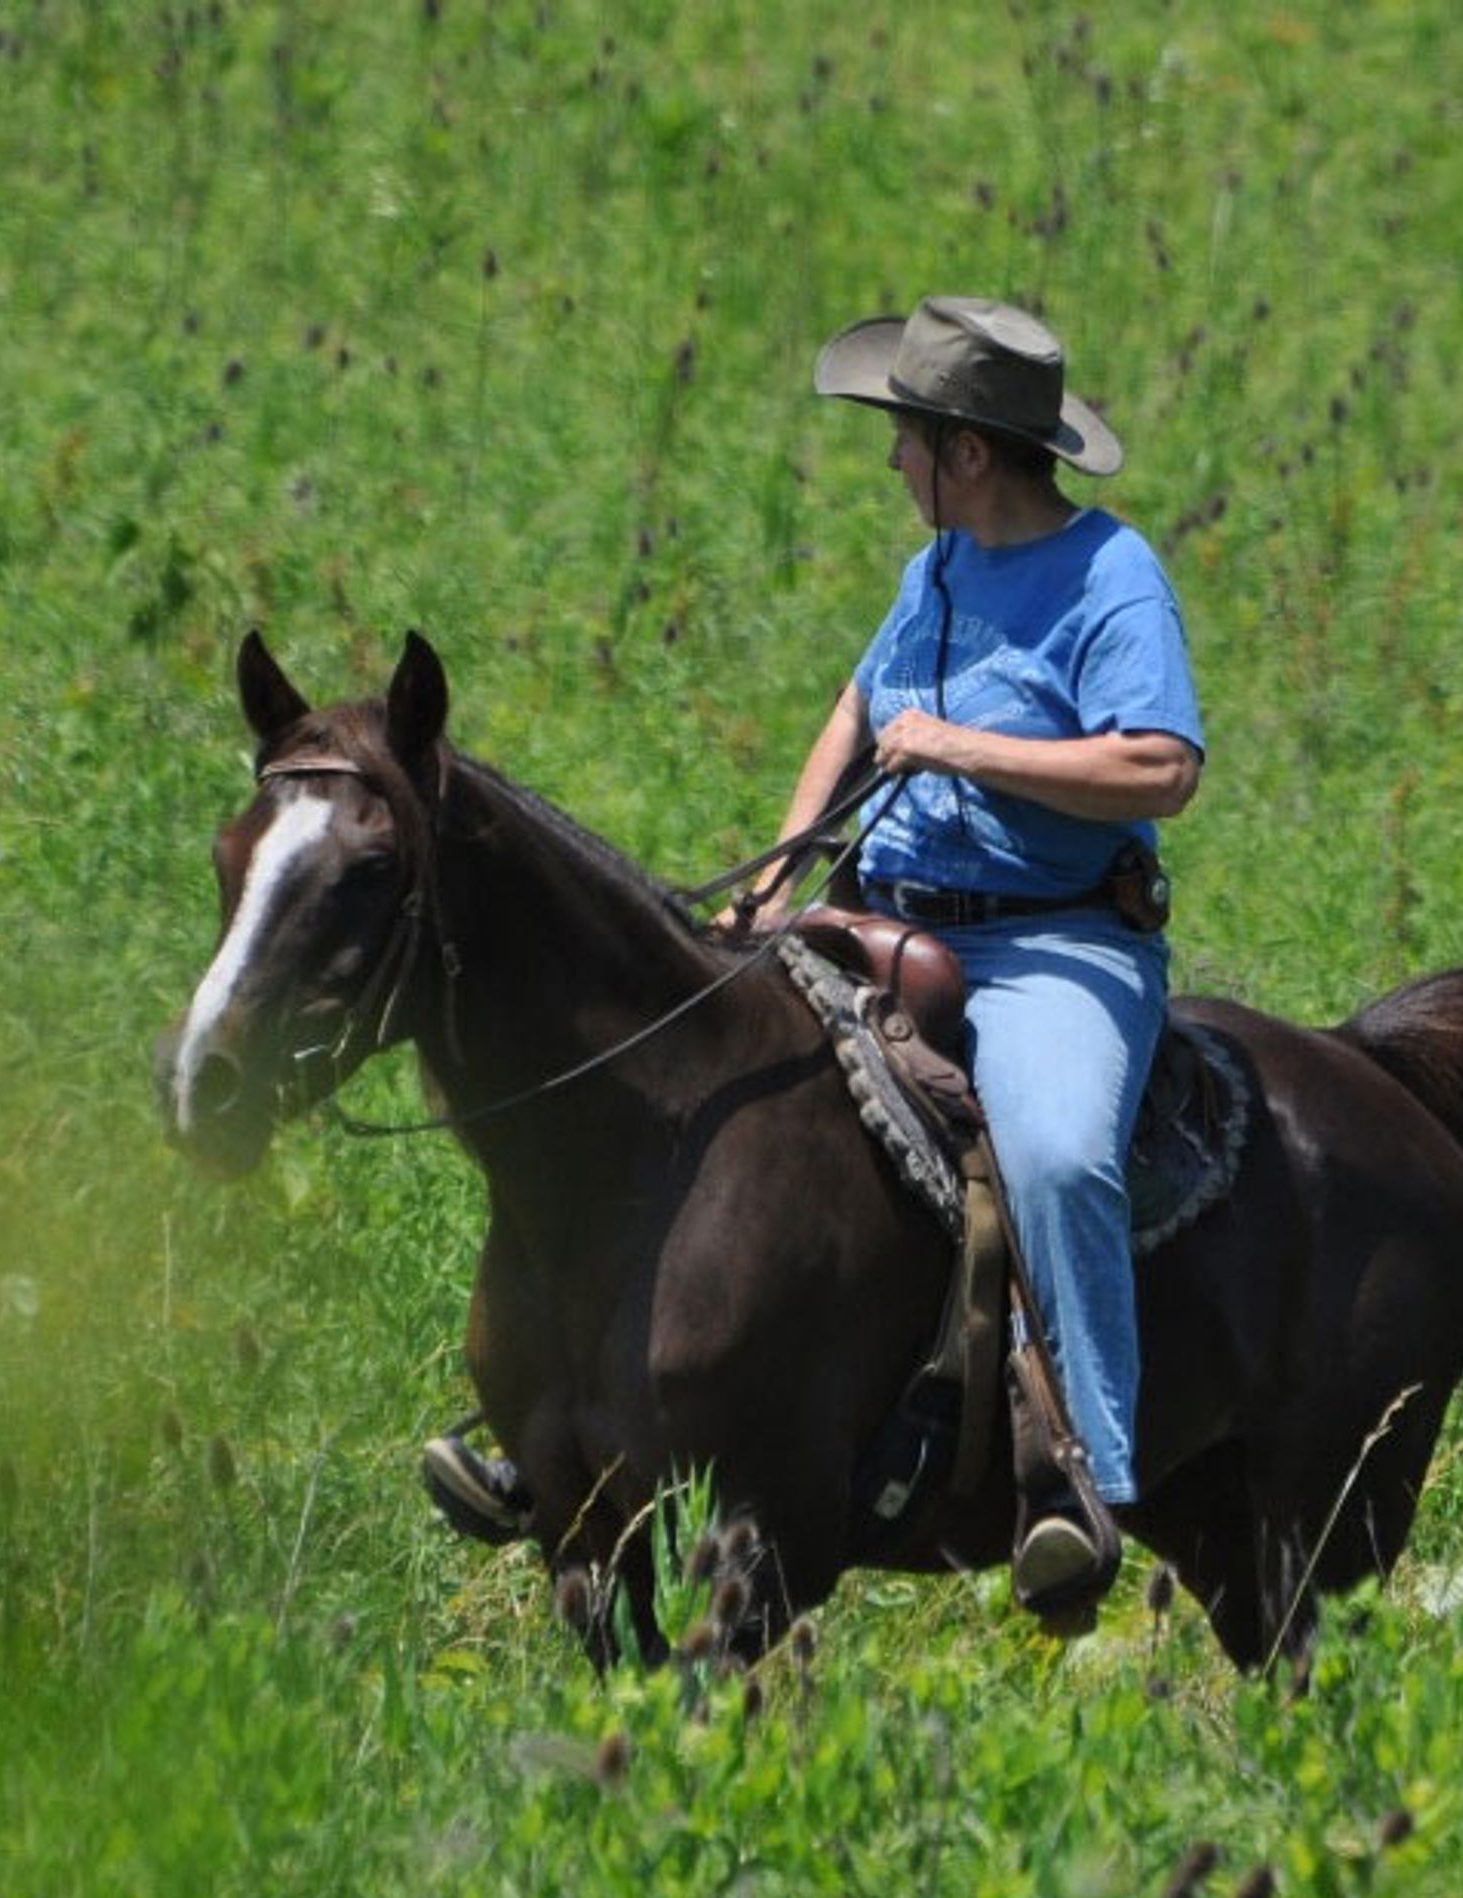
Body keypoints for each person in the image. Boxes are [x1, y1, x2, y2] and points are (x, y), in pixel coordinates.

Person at [425, 296, 1203, 1622]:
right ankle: (566, 1426)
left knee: (1062, 1148)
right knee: (693, 1077)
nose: (890, 457)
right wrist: (782, 864)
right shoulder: (937, 569)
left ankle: (1077, 1469)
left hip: (1047, 945)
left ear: (967, 450)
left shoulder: (1110, 575)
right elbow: (860, 707)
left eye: (904, 435)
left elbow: (1161, 765)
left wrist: (964, 749)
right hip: (884, 913)